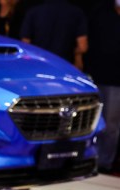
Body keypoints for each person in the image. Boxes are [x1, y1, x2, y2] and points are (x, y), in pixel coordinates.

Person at [87, 0, 120, 171]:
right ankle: (90, 158)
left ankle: (104, 162)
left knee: (111, 125)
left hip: (116, 81)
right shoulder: (101, 12)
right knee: (94, 122)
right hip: (98, 76)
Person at [20, 0, 88, 69]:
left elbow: (25, 44)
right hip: (65, 66)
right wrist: (77, 56)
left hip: (38, 66)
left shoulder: (33, 12)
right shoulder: (77, 13)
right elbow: (82, 47)